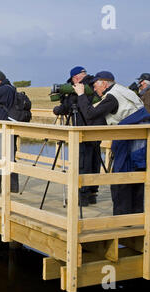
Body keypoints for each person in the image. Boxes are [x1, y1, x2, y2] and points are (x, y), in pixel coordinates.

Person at [73, 71, 150, 215]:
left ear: (104, 84)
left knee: (121, 180)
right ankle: (137, 218)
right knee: (137, 180)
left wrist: (81, 95)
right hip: (141, 140)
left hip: (130, 142)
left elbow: (89, 114)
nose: (94, 89)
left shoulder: (112, 97)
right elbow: (98, 118)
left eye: (95, 86)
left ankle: (123, 220)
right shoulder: (122, 91)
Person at [53, 66, 105, 206]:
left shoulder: (80, 88)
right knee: (95, 159)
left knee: (82, 161)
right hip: (97, 128)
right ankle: (93, 193)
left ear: (76, 77)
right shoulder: (94, 84)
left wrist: (59, 109)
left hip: (83, 128)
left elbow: (69, 105)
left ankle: (82, 196)